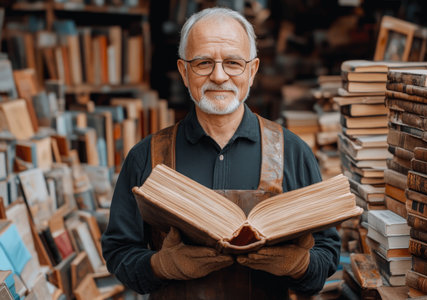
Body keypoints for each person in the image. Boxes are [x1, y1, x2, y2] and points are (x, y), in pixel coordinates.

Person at [102, 7, 340, 299]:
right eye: (203, 63)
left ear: (252, 71)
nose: (218, 75)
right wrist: (161, 266)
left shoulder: (293, 152)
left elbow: (327, 255)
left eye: (233, 62)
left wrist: (300, 264)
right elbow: (119, 253)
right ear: (183, 71)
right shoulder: (145, 156)